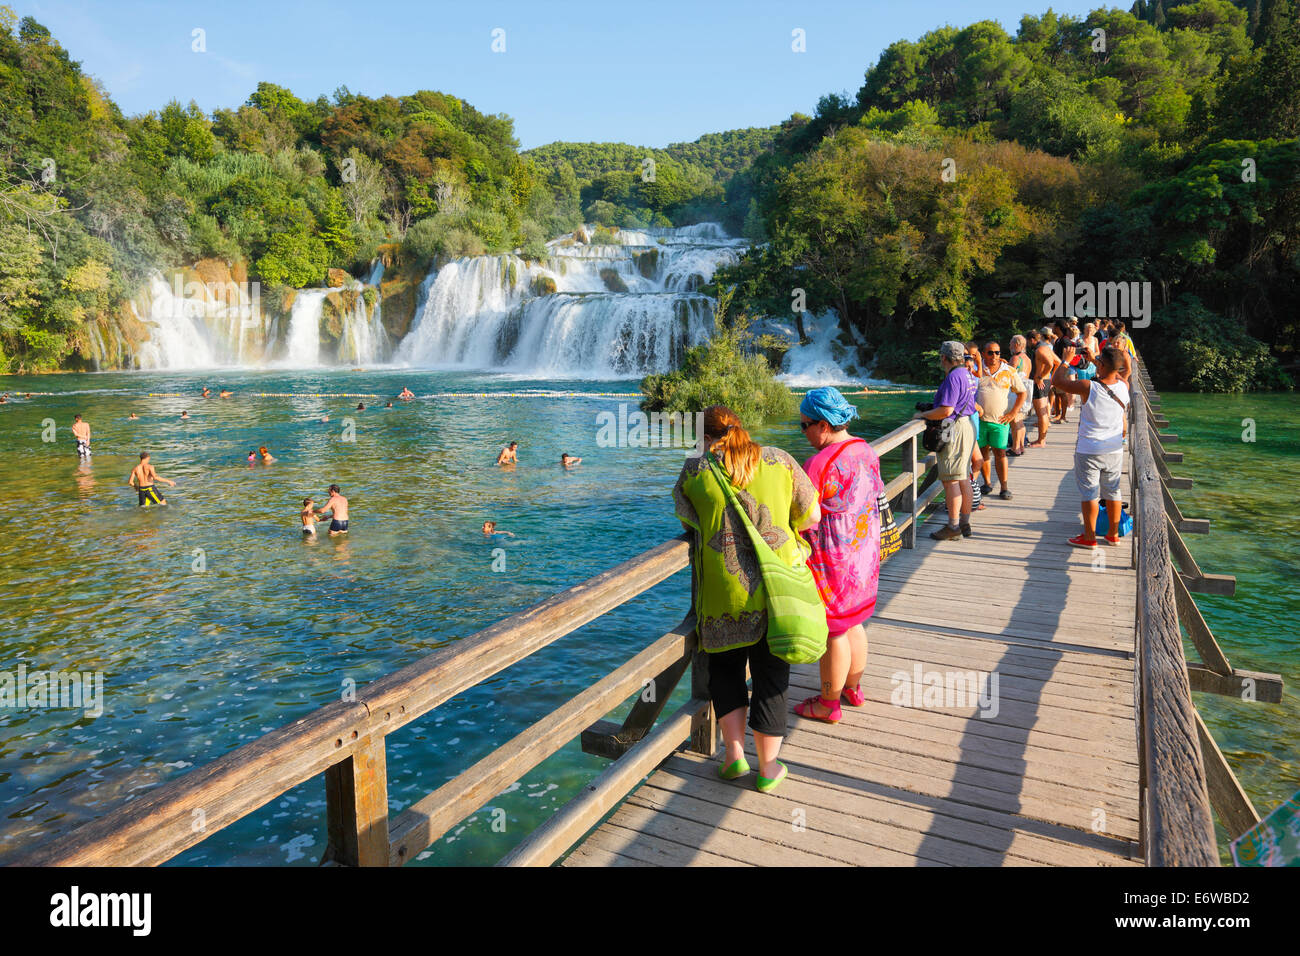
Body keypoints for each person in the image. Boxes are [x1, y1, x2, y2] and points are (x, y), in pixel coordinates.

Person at [673, 405, 820, 793]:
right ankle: (769, 768)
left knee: (725, 671)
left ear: (705, 438)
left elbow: (687, 518)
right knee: (772, 675)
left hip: (724, 593)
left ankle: (733, 757)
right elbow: (811, 514)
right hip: (776, 590)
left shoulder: (694, 469)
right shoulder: (781, 460)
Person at [794, 387, 883, 724]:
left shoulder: (819, 462)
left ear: (824, 424)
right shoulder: (864, 449)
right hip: (863, 554)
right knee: (855, 621)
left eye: (805, 426)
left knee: (833, 631)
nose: (803, 433)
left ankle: (828, 703)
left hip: (833, 557)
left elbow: (804, 514)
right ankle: (852, 687)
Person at [1052, 346, 1131, 548]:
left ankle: (1089, 537)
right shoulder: (1123, 387)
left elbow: (1057, 382)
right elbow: (1113, 371)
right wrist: (1097, 360)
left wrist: (1066, 360)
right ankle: (1113, 535)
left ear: (1102, 365)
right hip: (1114, 449)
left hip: (1090, 449)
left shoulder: (1089, 386)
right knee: (1113, 491)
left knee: (1090, 493)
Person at [914, 341, 977, 540]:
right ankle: (964, 523)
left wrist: (922, 416)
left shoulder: (953, 377)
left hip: (955, 428)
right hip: (967, 425)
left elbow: (947, 410)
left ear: (943, 357)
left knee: (950, 480)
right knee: (963, 476)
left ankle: (953, 526)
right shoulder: (968, 374)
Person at [975, 340, 1026, 499]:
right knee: (982, 453)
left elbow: (1022, 393)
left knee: (1000, 452)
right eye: (990, 352)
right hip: (980, 421)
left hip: (1001, 421)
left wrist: (1012, 414)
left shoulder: (1009, 370)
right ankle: (987, 483)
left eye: (997, 352)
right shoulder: (976, 370)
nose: (995, 356)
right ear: (983, 354)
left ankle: (1004, 487)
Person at [1028, 330, 1061, 448]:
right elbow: (1058, 362)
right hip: (1046, 382)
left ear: (1032, 340)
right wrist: (1052, 378)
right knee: (1044, 413)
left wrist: (1040, 376)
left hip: (1040, 383)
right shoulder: (1047, 348)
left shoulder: (1039, 350)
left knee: (1041, 414)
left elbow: (1050, 364)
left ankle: (1041, 440)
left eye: (1028, 342)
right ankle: (1042, 439)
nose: (1028, 344)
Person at [1008, 334, 1032, 456]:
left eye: (1011, 343)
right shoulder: (1027, 358)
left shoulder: (1016, 359)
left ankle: (1015, 448)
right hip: (1026, 391)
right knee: (1021, 420)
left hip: (1016, 392)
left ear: (1017, 345)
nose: (1009, 346)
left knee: (1015, 420)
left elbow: (1008, 375)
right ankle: (1021, 446)